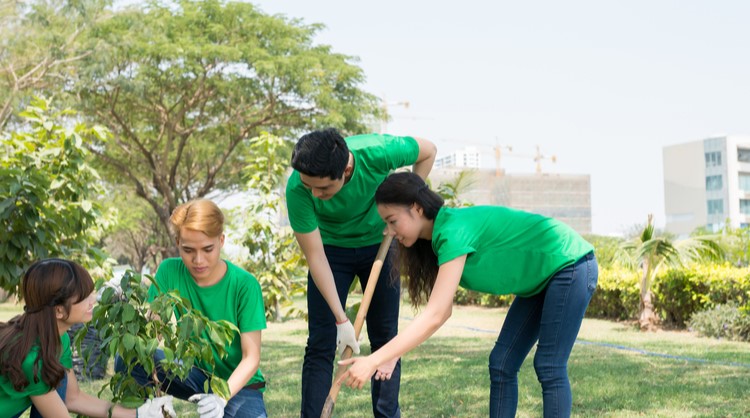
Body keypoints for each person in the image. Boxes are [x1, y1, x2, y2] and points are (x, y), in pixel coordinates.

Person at [339, 172, 598, 418]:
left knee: (549, 365)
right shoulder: (439, 239)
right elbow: (442, 309)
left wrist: (375, 359)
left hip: (569, 264)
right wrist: (392, 354)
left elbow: (437, 314)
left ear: (417, 208)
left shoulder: (453, 230)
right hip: (542, 279)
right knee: (502, 362)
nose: (389, 231)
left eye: (392, 220)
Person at [286, 128, 436, 417]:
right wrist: (342, 319)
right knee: (320, 343)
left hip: (380, 244)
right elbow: (316, 257)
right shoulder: (298, 188)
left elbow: (428, 150)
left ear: (345, 169)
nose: (315, 194)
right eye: (310, 187)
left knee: (386, 340)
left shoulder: (377, 152)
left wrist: (402, 205)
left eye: (324, 189)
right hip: (329, 251)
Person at [115, 199, 268, 418]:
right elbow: (153, 333)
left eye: (208, 249)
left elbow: (251, 358)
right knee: (130, 357)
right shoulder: (169, 271)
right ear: (177, 242)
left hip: (239, 387)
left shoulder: (244, 285)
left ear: (221, 241)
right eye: (188, 250)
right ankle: (150, 413)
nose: (198, 260)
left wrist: (221, 397)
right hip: (193, 374)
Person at [0, 258, 176, 418]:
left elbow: (73, 398)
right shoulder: (32, 358)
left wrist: (139, 413)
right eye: (84, 297)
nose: (93, 300)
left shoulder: (58, 340)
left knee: (57, 377)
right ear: (58, 310)